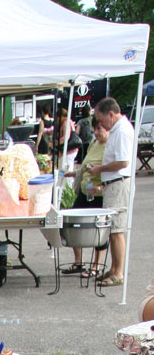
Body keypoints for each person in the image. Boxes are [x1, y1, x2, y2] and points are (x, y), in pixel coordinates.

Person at [87, 96, 134, 286]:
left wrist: (100, 169)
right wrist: (102, 167)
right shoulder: (116, 129)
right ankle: (114, 268)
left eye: (101, 120)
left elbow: (123, 162)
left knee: (117, 230)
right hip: (113, 182)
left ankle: (119, 271)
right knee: (113, 229)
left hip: (119, 182)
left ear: (111, 114)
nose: (101, 124)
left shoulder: (122, 130)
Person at [60, 116, 108, 274]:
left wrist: (100, 187)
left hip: (98, 192)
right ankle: (78, 261)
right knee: (74, 223)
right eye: (95, 129)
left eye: (99, 129)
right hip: (84, 190)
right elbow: (84, 167)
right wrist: (72, 173)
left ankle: (96, 265)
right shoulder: (93, 144)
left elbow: (112, 171)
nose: (96, 132)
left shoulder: (109, 146)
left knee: (98, 228)